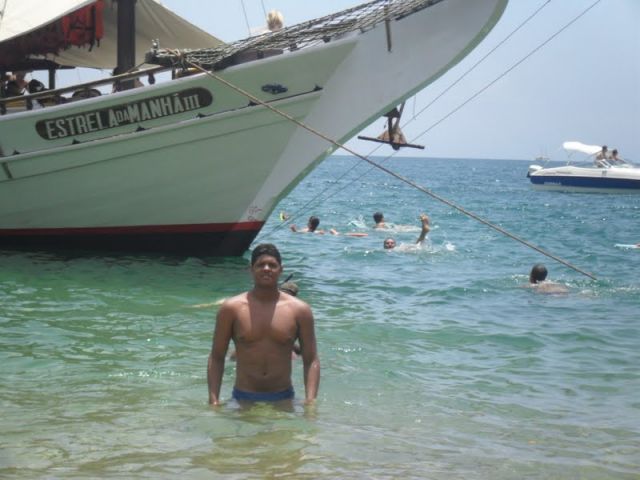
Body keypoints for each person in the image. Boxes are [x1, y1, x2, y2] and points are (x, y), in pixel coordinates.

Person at [207, 243, 320, 405]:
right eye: (261, 265)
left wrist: (310, 402)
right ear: (251, 269)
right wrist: (214, 400)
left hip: (284, 397)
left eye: (272, 265)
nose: (266, 269)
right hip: (243, 397)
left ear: (281, 270)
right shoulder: (231, 308)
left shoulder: (300, 310)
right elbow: (217, 356)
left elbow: (311, 359)